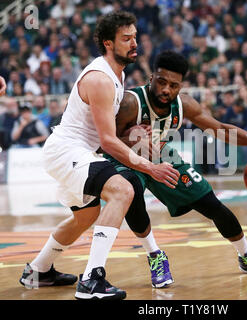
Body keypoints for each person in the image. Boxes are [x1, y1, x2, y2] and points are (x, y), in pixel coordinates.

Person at [19, 11, 180, 300]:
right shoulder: (101, 78)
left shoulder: (118, 74)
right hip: (68, 151)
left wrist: (135, 133)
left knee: (86, 216)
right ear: (108, 43)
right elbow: (107, 141)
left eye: (135, 37)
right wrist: (149, 166)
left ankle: (38, 271)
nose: (134, 43)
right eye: (126, 39)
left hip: (74, 152)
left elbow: (109, 131)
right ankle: (92, 279)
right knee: (123, 189)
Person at [105, 51, 247, 288]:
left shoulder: (185, 105)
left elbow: (221, 128)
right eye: (161, 82)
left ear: (181, 86)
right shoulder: (131, 103)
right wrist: (128, 139)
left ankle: (246, 255)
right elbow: (105, 140)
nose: (166, 90)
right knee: (131, 192)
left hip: (162, 154)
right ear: (151, 78)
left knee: (211, 203)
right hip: (127, 158)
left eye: (173, 85)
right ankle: (155, 256)